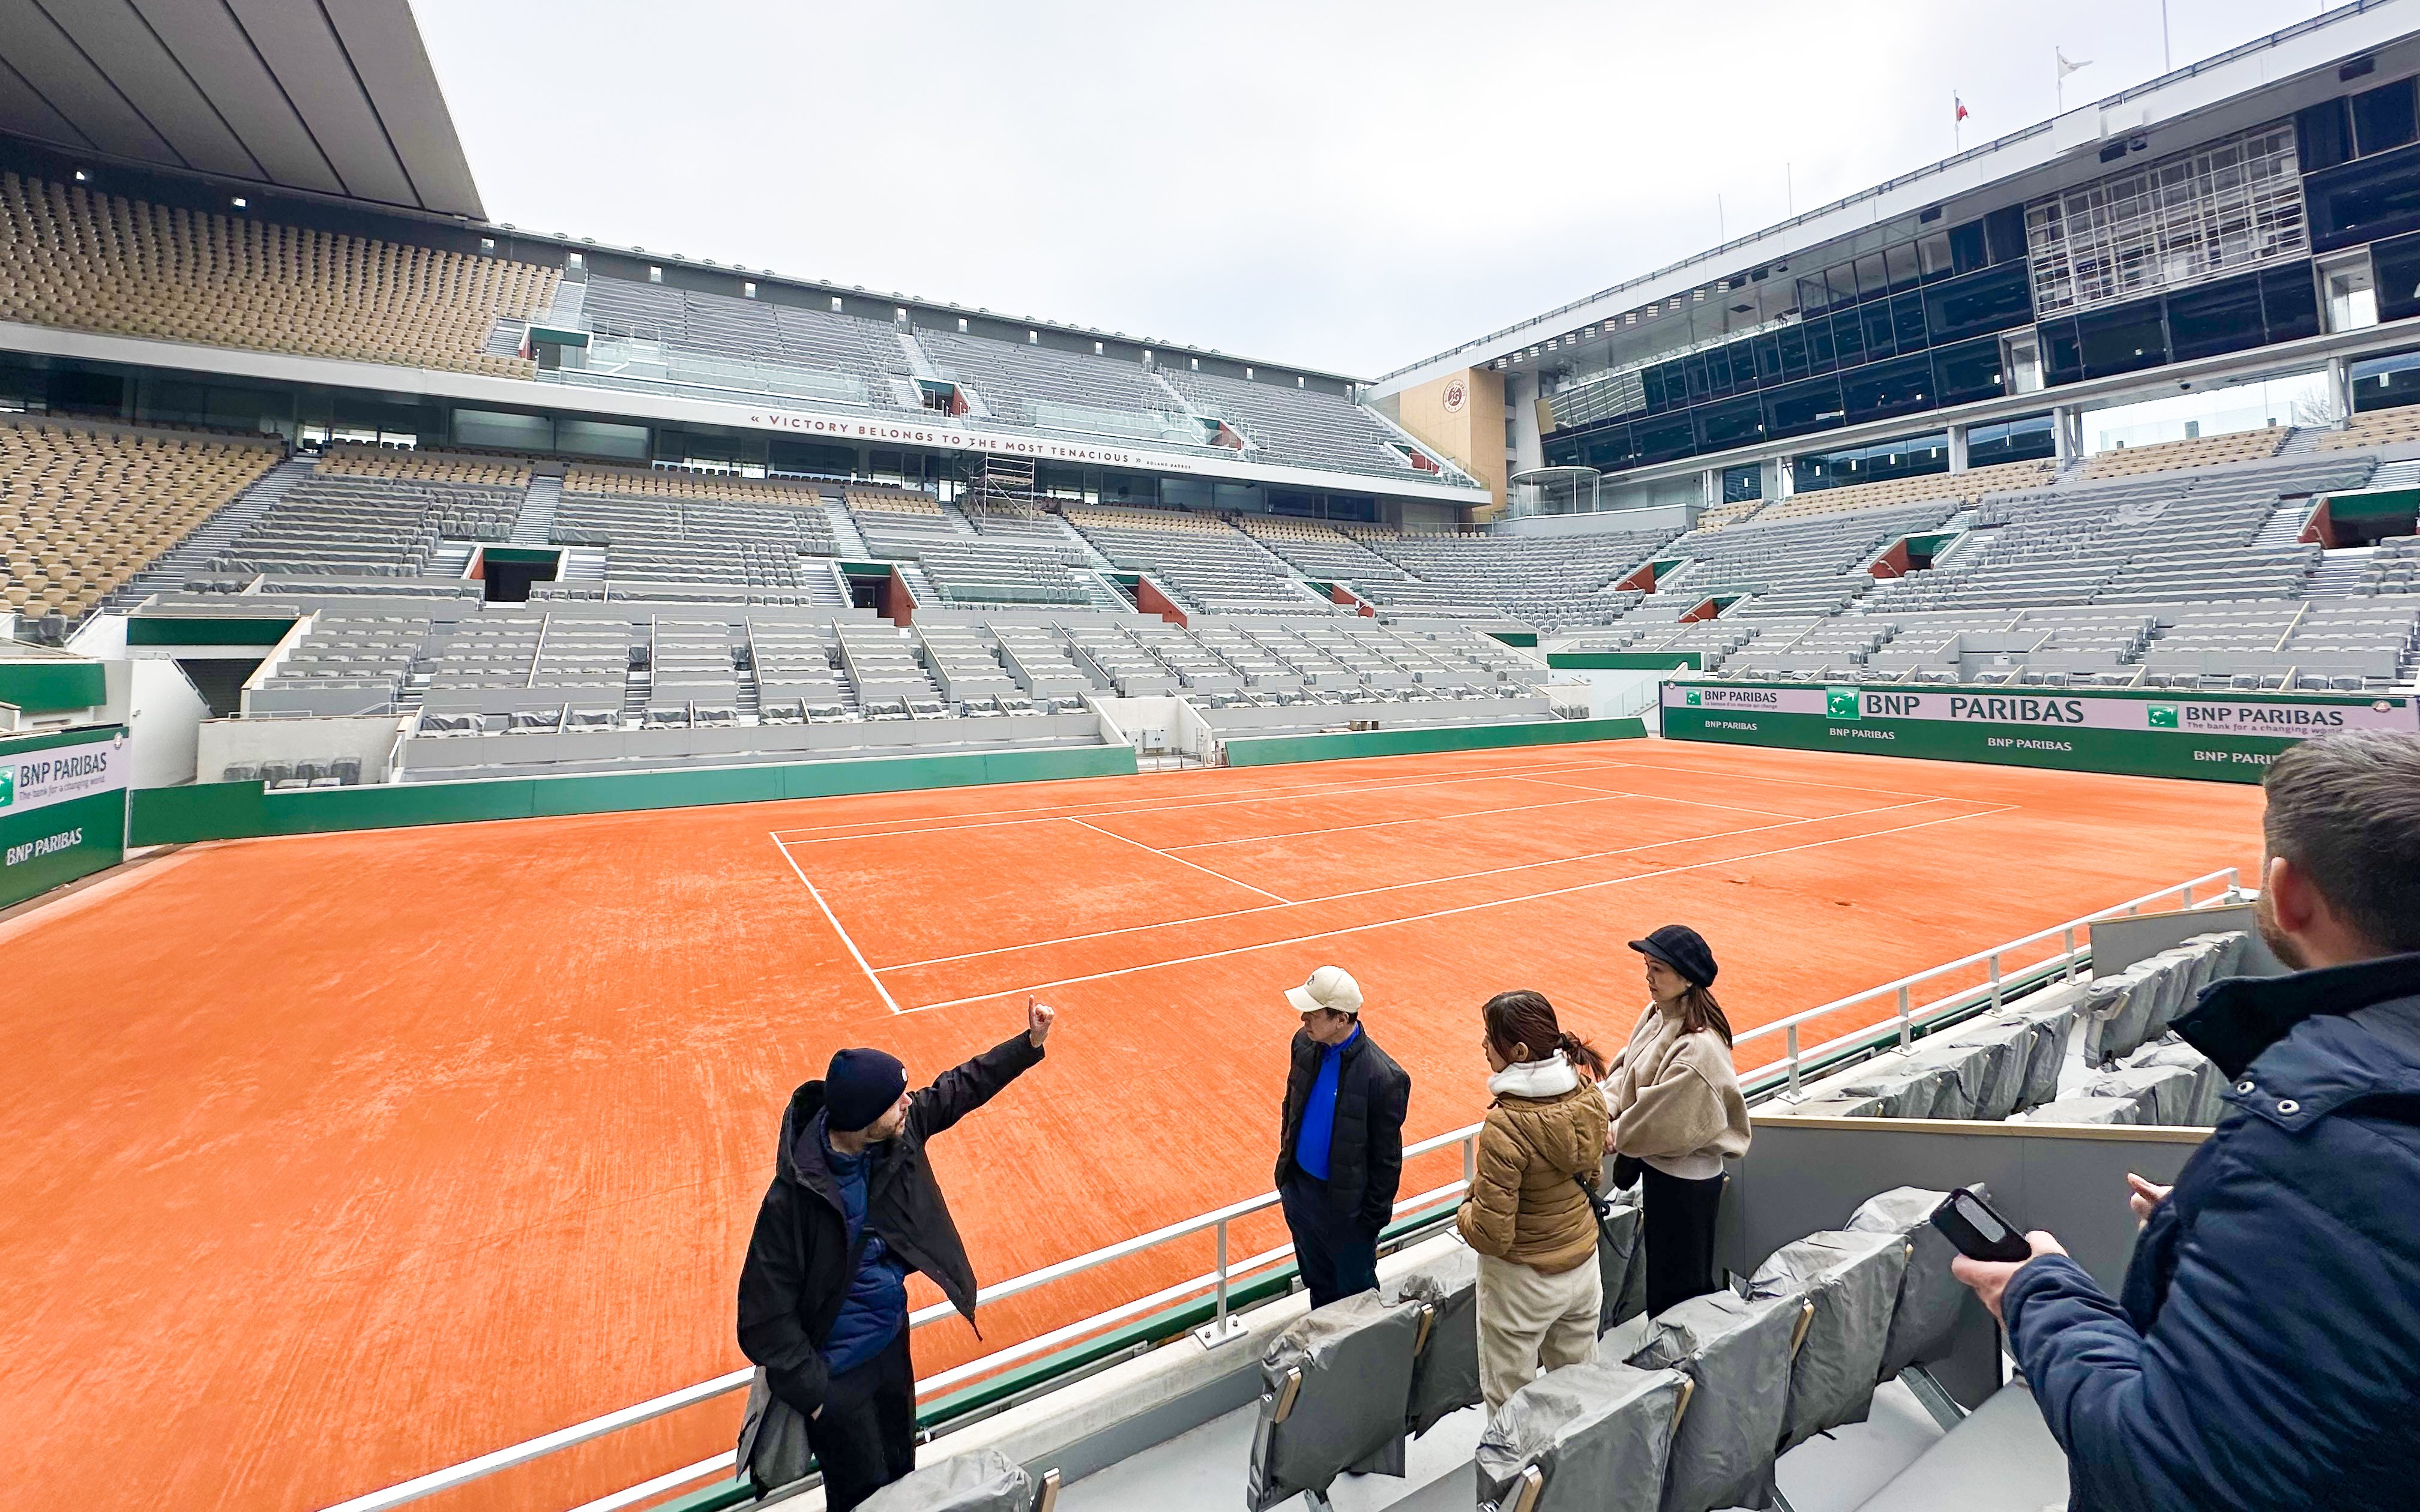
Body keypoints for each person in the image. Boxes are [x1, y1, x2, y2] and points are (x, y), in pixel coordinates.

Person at [1951, 731, 2420, 1512]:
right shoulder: (2333, 1154)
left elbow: (2164, 1474)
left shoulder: (2315, 1137)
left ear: (2287, 892)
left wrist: (2038, 1292)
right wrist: (2226, 1228)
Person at [735, 1001, 1056, 1509]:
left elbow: (958, 1088)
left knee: (905, 1484)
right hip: (838, 1381)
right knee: (860, 1499)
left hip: (890, 1352)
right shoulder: (790, 1204)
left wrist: (1028, 1044)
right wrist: (819, 1398)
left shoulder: (894, 1139)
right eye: (897, 1099)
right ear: (864, 1118)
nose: (910, 1103)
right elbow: (762, 1320)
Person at [1457, 989, 1613, 1412]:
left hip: (1521, 1284)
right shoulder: (1589, 1095)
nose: (1483, 1045)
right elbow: (1594, 1177)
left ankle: (1515, 1481)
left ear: (1520, 1051)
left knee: (1510, 1406)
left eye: (1491, 1038)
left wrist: (1465, 1209)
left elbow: (1492, 1235)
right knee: (1580, 1392)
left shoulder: (1504, 1126)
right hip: (1582, 1268)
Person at [1603, 924, 1751, 1315]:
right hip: (1662, 1173)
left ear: (1686, 978)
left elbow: (1661, 1118)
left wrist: (1613, 1134)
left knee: (1679, 1291)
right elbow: (1627, 1071)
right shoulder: (1656, 1014)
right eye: (1647, 966)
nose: (1648, 977)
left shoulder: (1699, 1048)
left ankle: (1680, 1370)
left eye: (1658, 970)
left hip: (1686, 1187)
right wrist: (1599, 1107)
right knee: (1665, 1281)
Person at [1275, 965, 1412, 1309]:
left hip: (1347, 1213)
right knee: (1318, 1286)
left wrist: (1368, 1223)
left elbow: (1386, 1161)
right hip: (1302, 1196)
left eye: (1313, 1013)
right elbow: (1291, 1107)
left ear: (1341, 1019)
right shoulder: (1303, 1045)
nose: (1304, 1019)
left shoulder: (1384, 1077)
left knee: (1357, 1299)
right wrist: (1288, 1180)